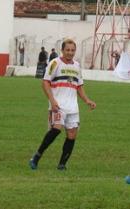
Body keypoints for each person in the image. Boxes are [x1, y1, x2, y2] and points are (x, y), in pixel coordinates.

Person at [29, 39, 96, 170]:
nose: (70, 53)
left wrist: (87, 100)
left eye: (72, 50)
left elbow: (79, 86)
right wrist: (52, 101)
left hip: (73, 107)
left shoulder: (76, 65)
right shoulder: (55, 63)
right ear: (62, 50)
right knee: (56, 129)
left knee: (72, 135)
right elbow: (45, 82)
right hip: (58, 105)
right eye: (68, 50)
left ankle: (62, 165)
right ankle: (36, 156)